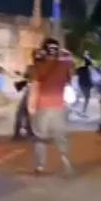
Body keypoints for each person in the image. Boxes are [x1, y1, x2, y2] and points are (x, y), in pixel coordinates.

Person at [29, 38, 75, 176]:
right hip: (59, 106)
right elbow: (71, 74)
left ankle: (40, 165)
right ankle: (65, 159)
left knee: (40, 137)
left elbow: (35, 86)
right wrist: (65, 54)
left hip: (42, 105)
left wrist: (31, 106)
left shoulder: (38, 65)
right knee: (61, 136)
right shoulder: (65, 64)